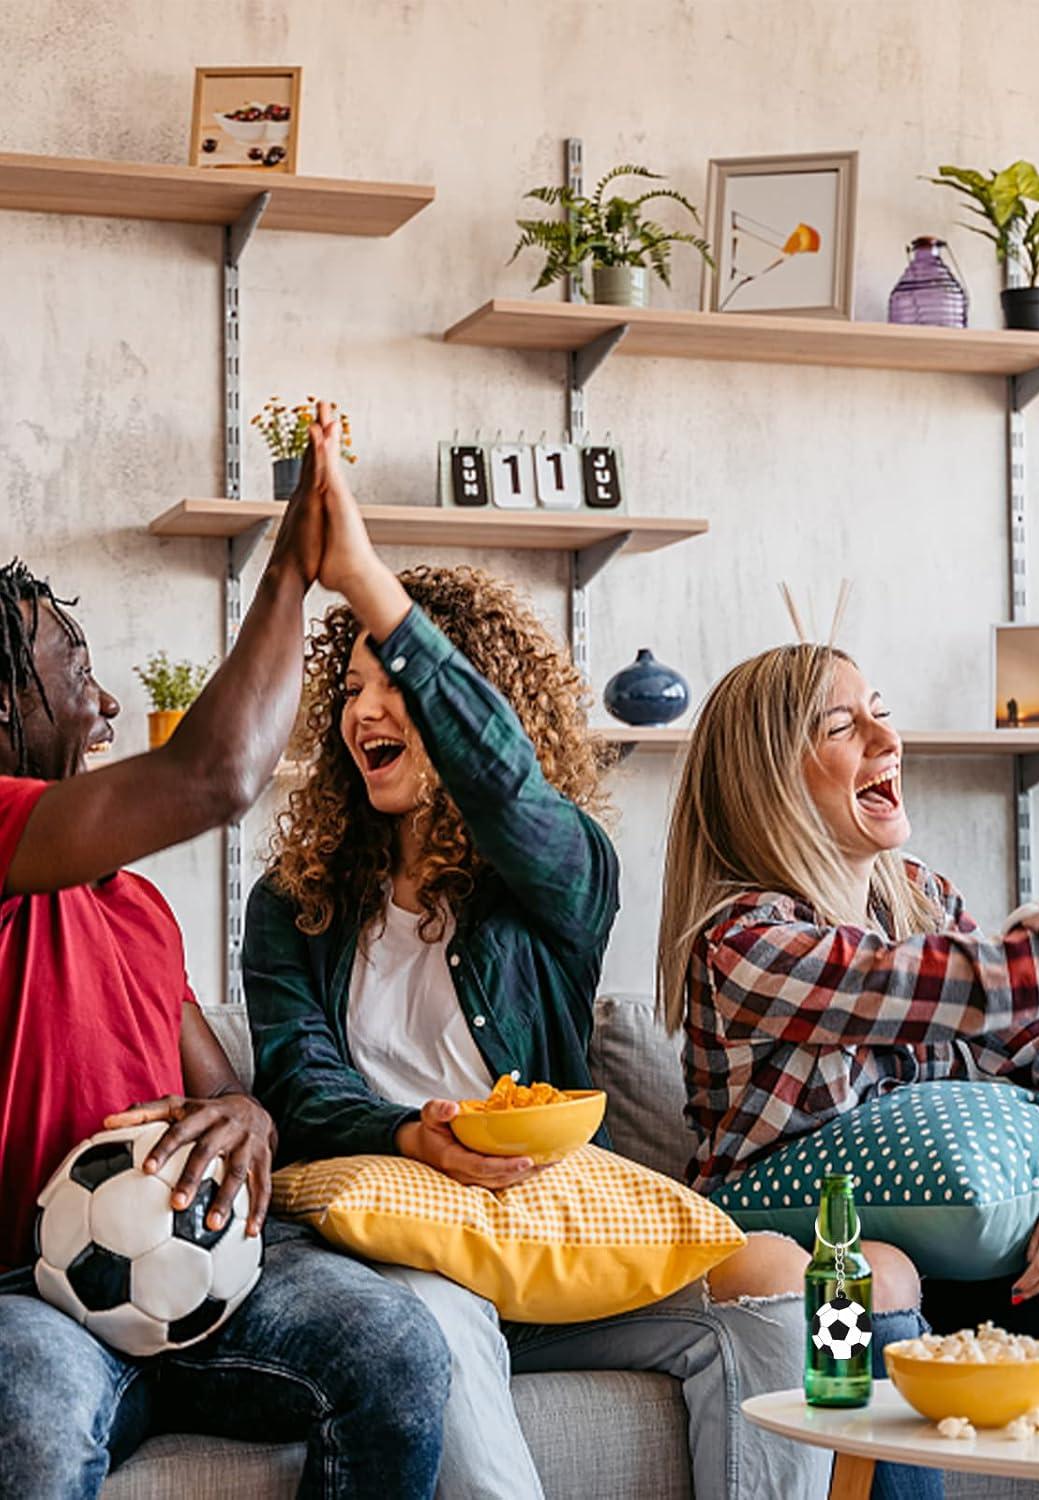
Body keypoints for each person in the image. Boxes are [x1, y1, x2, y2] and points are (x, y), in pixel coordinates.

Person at [244, 455, 822, 1500]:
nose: (365, 707)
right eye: (353, 687)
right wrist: (410, 1132)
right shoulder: (294, 903)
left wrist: (369, 583)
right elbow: (293, 1078)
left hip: (553, 1237)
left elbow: (501, 784)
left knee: (777, 1276)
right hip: (394, 1245)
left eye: (395, 682)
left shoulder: (561, 878)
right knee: (439, 1311)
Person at [655, 642, 1039, 1497]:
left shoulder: (922, 898)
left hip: (977, 1268)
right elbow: (997, 985)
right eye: (841, 725)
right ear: (772, 780)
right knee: (875, 1268)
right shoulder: (744, 944)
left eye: (881, 712)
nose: (884, 738)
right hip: (818, 1250)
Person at [0, 408, 449, 1499]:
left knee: (399, 1350)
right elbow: (217, 773)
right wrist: (297, 566)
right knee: (29, 1426)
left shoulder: (137, 909)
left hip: (202, 1280)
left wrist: (244, 1119)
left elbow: (230, 1096)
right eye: (75, 668)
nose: (106, 701)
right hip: (24, 1294)